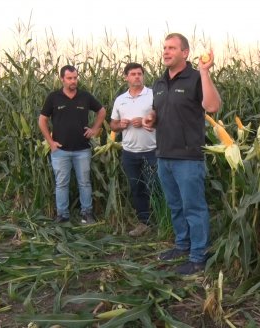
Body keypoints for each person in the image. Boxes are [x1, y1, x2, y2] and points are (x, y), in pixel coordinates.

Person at [143, 33, 222, 275]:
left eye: (172, 48)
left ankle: (198, 257)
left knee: (193, 208)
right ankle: (182, 245)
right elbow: (158, 112)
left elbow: (212, 106)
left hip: (188, 158)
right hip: (164, 155)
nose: (166, 52)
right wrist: (151, 119)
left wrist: (206, 72)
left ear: (185, 53)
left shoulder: (196, 78)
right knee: (175, 205)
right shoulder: (158, 83)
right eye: (164, 47)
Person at [38, 65, 106, 224]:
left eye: (75, 78)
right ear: (62, 79)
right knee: (61, 183)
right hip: (60, 150)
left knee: (85, 182)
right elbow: (42, 120)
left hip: (82, 149)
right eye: (69, 78)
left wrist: (95, 129)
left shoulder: (85, 97)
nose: (73, 81)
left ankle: (87, 213)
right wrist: (51, 142)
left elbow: (101, 111)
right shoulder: (53, 97)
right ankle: (62, 215)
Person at [110, 63, 156, 237]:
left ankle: (162, 219)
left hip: (152, 150)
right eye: (133, 74)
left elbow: (162, 117)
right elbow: (113, 125)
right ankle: (144, 223)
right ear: (126, 77)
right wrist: (120, 125)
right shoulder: (120, 99)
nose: (137, 76)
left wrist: (144, 119)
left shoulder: (152, 95)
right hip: (129, 153)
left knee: (156, 187)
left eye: (139, 74)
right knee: (137, 188)